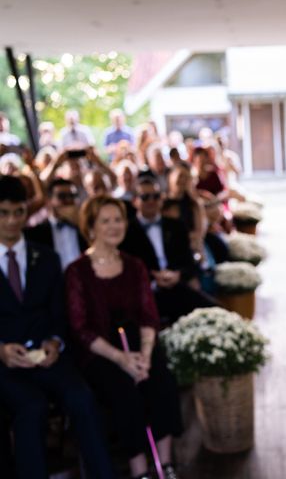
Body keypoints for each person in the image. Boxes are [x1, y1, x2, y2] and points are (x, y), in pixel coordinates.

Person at [0, 175, 114, 479]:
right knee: (32, 407)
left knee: (82, 398)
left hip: (48, 358)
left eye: (18, 212)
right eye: (3, 213)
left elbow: (60, 314)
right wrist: (1, 351)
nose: (12, 221)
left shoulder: (47, 258)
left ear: (27, 211)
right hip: (4, 366)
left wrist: (54, 342)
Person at [65, 195, 182, 479]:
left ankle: (165, 464)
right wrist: (122, 359)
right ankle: (139, 469)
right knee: (124, 391)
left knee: (160, 378)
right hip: (101, 351)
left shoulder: (135, 265)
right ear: (90, 227)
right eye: (105, 221)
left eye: (118, 219)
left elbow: (148, 315)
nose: (115, 226)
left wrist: (143, 354)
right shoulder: (77, 272)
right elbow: (80, 328)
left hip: (139, 342)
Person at [119, 177, 216, 325]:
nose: (151, 201)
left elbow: (189, 263)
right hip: (146, 293)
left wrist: (178, 275)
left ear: (162, 199)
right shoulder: (126, 232)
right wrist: (153, 277)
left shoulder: (175, 226)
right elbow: (127, 270)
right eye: (145, 197)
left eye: (156, 196)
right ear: (135, 201)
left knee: (216, 313)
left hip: (178, 287)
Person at [24, 178, 87, 270]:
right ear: (49, 201)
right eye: (62, 196)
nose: (69, 200)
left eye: (73, 196)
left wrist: (80, 223)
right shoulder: (35, 234)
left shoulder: (87, 228)